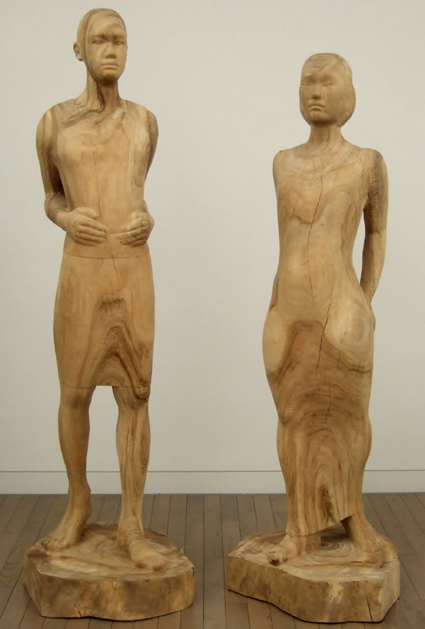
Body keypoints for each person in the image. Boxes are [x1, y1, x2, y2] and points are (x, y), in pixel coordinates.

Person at [36, 8, 168, 571]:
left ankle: (132, 521)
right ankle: (78, 501)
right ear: (79, 50)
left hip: (132, 269)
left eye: (119, 40)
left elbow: (135, 188)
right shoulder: (54, 123)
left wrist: (147, 219)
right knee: (74, 392)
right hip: (82, 270)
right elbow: (51, 194)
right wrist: (66, 218)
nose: (111, 49)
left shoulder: (145, 122)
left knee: (135, 394)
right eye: (99, 40)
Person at [263, 53, 388, 564]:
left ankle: (353, 517)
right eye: (307, 82)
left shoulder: (367, 162)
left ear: (348, 95)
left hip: (342, 306)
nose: (315, 91)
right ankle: (298, 528)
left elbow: (376, 233)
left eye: (327, 82)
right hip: (287, 309)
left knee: (350, 417)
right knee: (293, 417)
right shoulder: (282, 161)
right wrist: (276, 305)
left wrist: (366, 298)